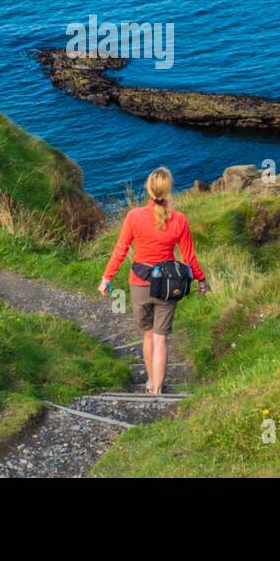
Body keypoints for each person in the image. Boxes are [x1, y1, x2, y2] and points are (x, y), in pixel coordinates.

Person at [98, 167, 208, 395]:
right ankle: (158, 388)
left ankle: (150, 382)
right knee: (161, 339)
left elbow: (120, 250)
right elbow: (189, 257)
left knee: (147, 335)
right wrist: (201, 280)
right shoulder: (179, 220)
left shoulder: (134, 216)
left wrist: (106, 278)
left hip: (140, 284)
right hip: (168, 286)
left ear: (148, 189)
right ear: (169, 190)